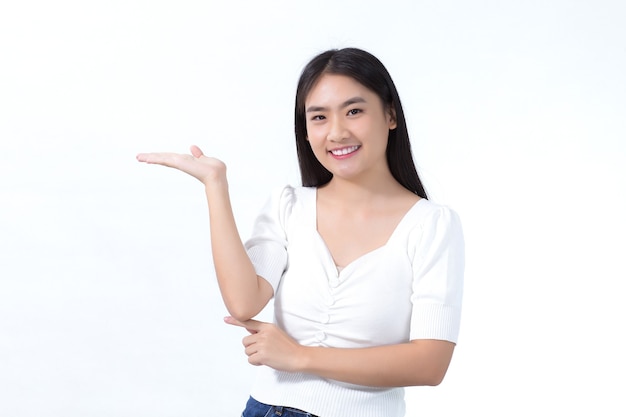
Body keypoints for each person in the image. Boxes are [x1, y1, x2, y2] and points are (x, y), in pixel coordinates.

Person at [137, 47, 464, 417]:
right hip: (267, 409)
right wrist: (215, 185)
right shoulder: (288, 206)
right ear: (305, 131)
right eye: (319, 117)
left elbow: (430, 364)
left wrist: (300, 357)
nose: (337, 132)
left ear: (390, 114)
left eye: (354, 111)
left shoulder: (432, 225)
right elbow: (244, 302)